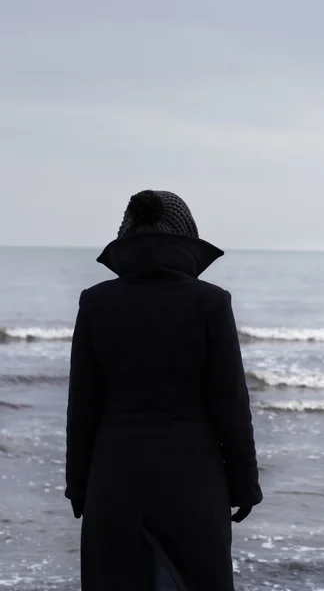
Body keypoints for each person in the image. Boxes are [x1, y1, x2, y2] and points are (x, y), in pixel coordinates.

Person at [65, 190, 263, 590]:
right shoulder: (210, 302)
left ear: (125, 237)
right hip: (194, 485)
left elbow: (82, 406)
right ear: (187, 238)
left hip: (114, 482)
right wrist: (244, 484)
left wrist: (79, 485)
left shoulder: (96, 302)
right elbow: (230, 404)